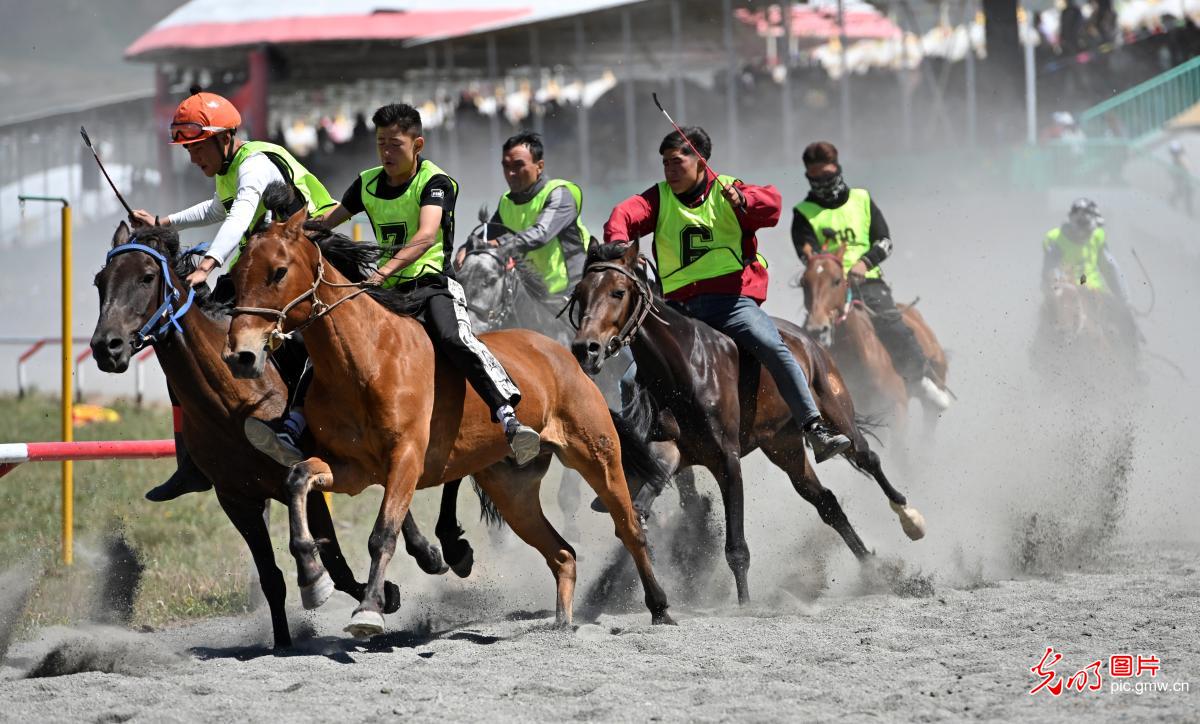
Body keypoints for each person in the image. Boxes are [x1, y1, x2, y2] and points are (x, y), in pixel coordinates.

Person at [129, 88, 338, 501]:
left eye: (198, 148)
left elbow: (241, 217)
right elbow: (217, 210)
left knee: (294, 342)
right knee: (185, 335)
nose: (193, 159)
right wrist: (162, 220)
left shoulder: (255, 165)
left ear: (225, 138)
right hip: (265, 269)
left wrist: (207, 264)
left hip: (310, 264)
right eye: (188, 151)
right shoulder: (229, 170)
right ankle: (189, 461)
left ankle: (301, 428)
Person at [604, 126, 851, 462]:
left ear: (701, 162)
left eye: (678, 161)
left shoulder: (728, 190)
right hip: (678, 310)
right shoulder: (658, 197)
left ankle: (814, 427)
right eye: (665, 163)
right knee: (633, 377)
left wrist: (745, 200)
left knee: (773, 347)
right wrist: (618, 243)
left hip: (730, 303)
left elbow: (772, 206)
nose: (670, 170)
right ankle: (635, 461)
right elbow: (624, 215)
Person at [318, 103, 542, 465]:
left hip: (431, 285)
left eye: (395, 144)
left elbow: (425, 236)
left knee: (455, 338)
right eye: (381, 144)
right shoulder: (367, 182)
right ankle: (299, 423)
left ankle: (507, 415)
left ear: (417, 145)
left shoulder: (435, 182)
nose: (386, 153)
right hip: (387, 290)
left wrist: (380, 273)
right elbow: (330, 219)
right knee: (331, 332)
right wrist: (296, 233)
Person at [792, 141, 952, 411]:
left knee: (892, 322)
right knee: (809, 338)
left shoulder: (862, 200)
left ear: (838, 169)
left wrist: (864, 263)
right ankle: (811, 408)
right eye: (815, 177)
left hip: (868, 281)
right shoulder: (803, 213)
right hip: (827, 288)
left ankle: (922, 379)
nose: (822, 181)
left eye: (827, 175)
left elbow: (885, 240)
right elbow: (806, 254)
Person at [481, 132, 591, 295]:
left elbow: (542, 233)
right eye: (506, 166)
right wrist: (468, 247)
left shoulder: (559, 193)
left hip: (574, 290)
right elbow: (487, 237)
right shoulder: (506, 201)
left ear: (539, 166)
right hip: (534, 294)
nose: (511, 173)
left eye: (518, 165)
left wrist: (501, 243)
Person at [1042, 198, 1139, 345]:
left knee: (1125, 318)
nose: (1083, 231)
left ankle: (1131, 359)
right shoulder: (1057, 240)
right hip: (1063, 291)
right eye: (1080, 223)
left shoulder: (1096, 238)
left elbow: (1111, 269)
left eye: (1087, 225)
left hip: (1092, 290)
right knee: (1049, 322)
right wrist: (1059, 286)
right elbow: (1050, 269)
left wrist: (1124, 300)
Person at [1167, 141, 1194, 218]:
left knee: (1182, 192)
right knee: (1186, 193)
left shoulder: (1179, 157)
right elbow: (1186, 168)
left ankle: (1172, 202)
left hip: (1182, 178)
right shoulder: (1179, 158)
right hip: (1183, 179)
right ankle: (1189, 212)